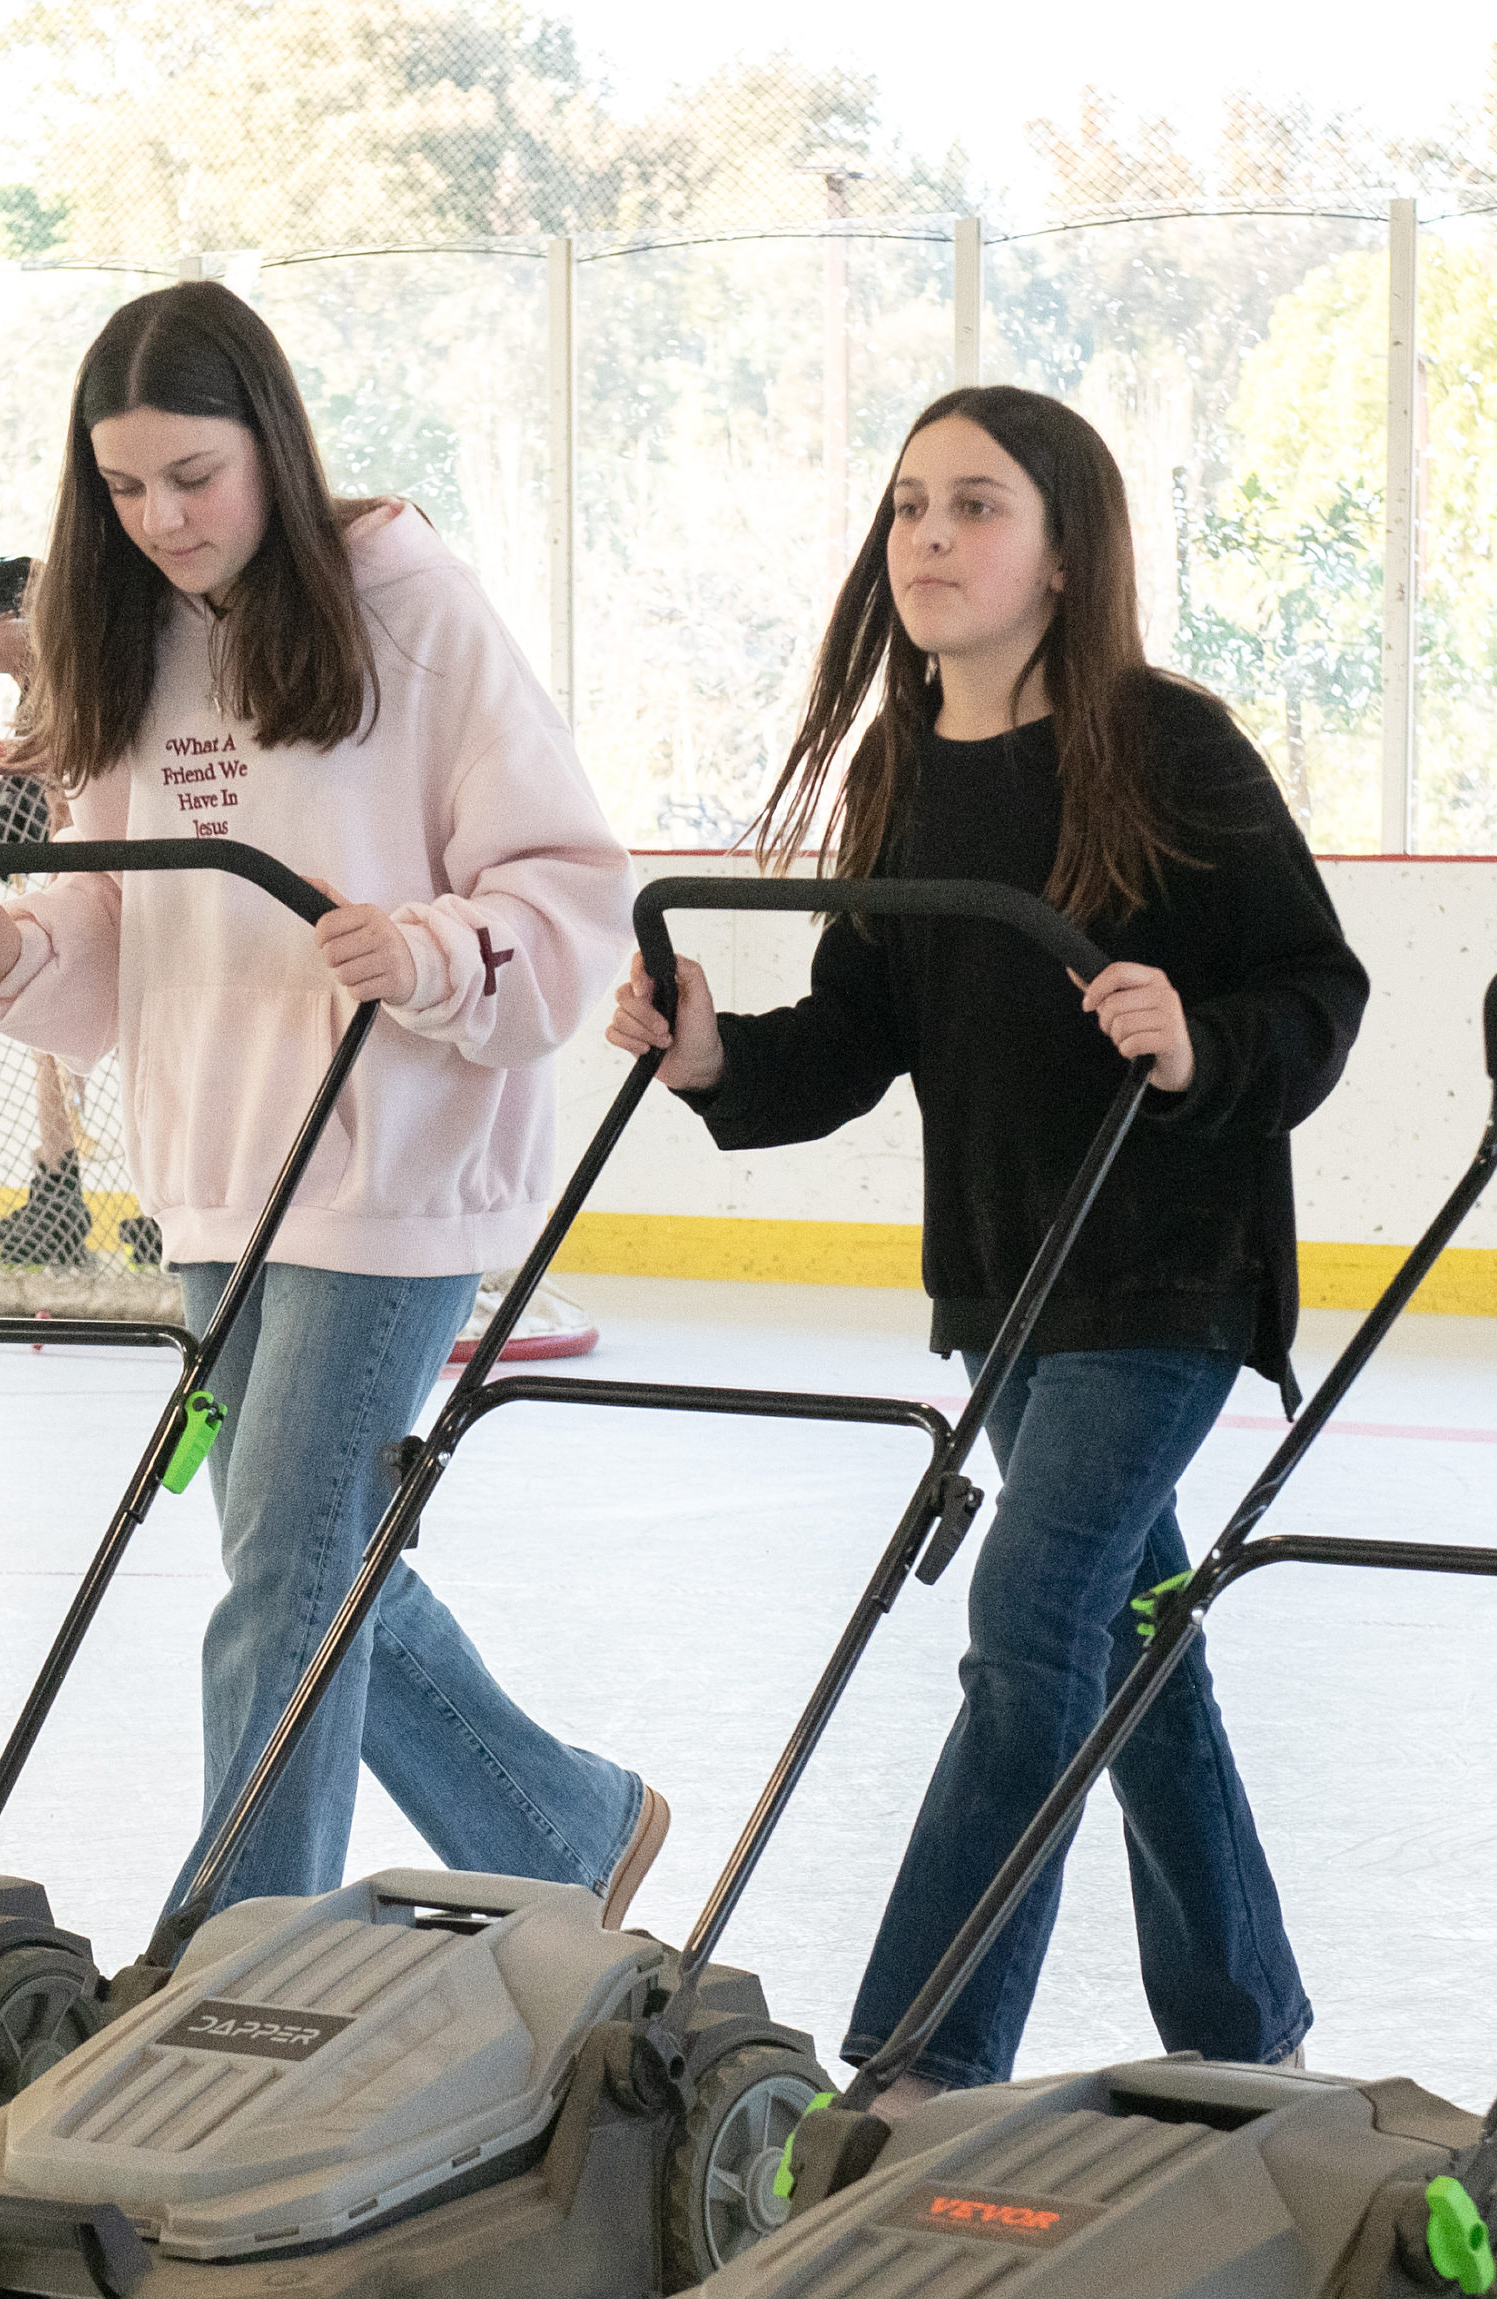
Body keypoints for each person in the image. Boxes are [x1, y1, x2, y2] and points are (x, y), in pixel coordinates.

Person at [608, 385, 1364, 2102]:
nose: (931, 540)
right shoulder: (898, 768)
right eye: (907, 510)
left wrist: (1196, 1039)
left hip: (1167, 1270)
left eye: (976, 506)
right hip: (1006, 1284)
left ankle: (920, 2060)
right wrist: (716, 1052)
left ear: (1064, 545)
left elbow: (1318, 989)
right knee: (1130, 1640)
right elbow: (863, 1030)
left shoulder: (1169, 747)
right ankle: (1252, 2032)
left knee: (1033, 1620)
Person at [0, 281, 667, 1926]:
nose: (162, 519)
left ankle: (236, 1955)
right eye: (122, 489)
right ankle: (565, 1834)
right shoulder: (127, 643)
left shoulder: (414, 610)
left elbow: (570, 885)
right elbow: (114, 944)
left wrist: (434, 948)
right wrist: (4, 952)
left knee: (283, 1585)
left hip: (392, 1166)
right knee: (315, 1574)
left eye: (194, 474)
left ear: (271, 440)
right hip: (212, 1172)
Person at [0, 553, 124, 1274]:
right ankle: (60, 1185)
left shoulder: (68, 682)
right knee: (52, 1045)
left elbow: (48, 806)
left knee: (101, 1040)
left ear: (27, 620)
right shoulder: (41, 687)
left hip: (102, 887)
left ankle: (92, 1194)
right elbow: (16, 825)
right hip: (73, 884)